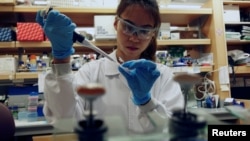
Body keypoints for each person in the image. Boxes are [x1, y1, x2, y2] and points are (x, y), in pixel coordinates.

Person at [36, 0, 184, 133]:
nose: (134, 38)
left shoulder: (163, 77)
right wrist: (61, 59)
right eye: (127, 26)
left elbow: (173, 130)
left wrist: (146, 102)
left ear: (153, 34)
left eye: (144, 31)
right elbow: (65, 121)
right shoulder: (90, 73)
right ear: (116, 24)